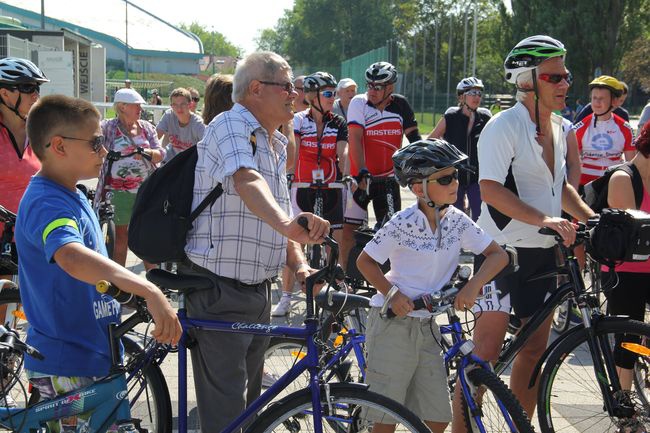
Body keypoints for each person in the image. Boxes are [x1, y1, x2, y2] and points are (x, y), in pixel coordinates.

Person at [182, 51, 330, 431]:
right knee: (227, 413)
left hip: (256, 291)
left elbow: (278, 213)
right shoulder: (232, 124)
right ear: (256, 89)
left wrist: (299, 265)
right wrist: (288, 223)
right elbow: (246, 181)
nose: (295, 94)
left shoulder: (273, 142)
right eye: (288, 86)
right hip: (220, 288)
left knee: (249, 408)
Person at [16, 94, 181, 433]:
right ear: (59, 146)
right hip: (67, 361)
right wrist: (147, 288)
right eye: (95, 143)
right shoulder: (48, 201)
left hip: (93, 351)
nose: (104, 151)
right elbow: (72, 256)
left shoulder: (73, 194)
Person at [470, 35, 595, 421]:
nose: (565, 84)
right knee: (484, 357)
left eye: (566, 76)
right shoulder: (503, 126)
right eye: (554, 77)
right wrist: (545, 219)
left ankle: (520, 426)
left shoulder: (559, 127)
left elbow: (560, 188)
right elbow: (489, 189)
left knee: (534, 351)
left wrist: (590, 217)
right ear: (527, 81)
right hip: (499, 254)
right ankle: (462, 427)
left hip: (542, 254)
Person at [356, 139, 508, 433]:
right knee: (385, 417)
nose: (455, 183)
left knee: (437, 416)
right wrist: (392, 293)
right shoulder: (402, 223)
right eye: (445, 178)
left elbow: (497, 255)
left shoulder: (458, 221)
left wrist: (474, 285)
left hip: (428, 327)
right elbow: (365, 262)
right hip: (392, 325)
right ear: (417, 188)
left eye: (456, 176)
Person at [272, 71, 348, 316]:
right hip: (302, 187)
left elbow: (343, 153)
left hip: (330, 187)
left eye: (334, 94)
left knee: (331, 242)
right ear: (313, 96)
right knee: (293, 239)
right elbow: (291, 150)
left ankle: (334, 294)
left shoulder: (337, 123)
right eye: (328, 94)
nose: (332, 98)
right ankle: (285, 297)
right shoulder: (299, 120)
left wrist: (348, 172)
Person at [341, 61, 421, 271]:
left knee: (393, 231)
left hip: (388, 180)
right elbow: (355, 139)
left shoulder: (400, 105)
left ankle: (391, 279)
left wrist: (424, 164)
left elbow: (415, 139)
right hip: (362, 178)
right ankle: (342, 277)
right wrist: (361, 171)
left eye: (377, 87)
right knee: (349, 230)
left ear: (390, 88)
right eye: (369, 85)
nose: (371, 91)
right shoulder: (359, 103)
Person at [95, 88, 165, 267]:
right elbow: (93, 141)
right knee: (121, 238)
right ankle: (120, 286)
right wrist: (104, 153)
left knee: (146, 238)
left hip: (146, 192)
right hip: (119, 193)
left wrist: (147, 152)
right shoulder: (108, 127)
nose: (140, 109)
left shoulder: (147, 127)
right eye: (136, 105)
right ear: (122, 106)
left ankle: (154, 283)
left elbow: (160, 153)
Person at [605, 121, 650, 391]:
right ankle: (624, 404)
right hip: (626, 269)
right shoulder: (624, 178)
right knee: (628, 339)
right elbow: (636, 238)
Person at [428, 77, 491, 221]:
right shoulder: (451, 117)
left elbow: (496, 140)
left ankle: (476, 243)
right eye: (472, 92)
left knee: (479, 214)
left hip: (477, 175)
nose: (477, 97)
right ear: (462, 96)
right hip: (454, 176)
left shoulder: (485, 117)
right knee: (455, 216)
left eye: (479, 93)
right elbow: (431, 140)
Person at [0, 57, 47, 238]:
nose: (36, 95)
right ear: (4, 94)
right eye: (27, 88)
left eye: (37, 88)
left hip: (35, 237)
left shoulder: (42, 131)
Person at [573, 76, 635, 186]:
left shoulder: (625, 128)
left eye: (601, 98)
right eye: (594, 98)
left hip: (612, 184)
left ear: (614, 101)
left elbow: (631, 165)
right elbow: (571, 163)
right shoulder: (580, 127)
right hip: (585, 184)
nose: (597, 102)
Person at [157, 87, 205, 162]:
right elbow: (156, 136)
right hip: (170, 162)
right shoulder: (169, 115)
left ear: (190, 105)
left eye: (183, 104)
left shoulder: (198, 123)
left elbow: (208, 146)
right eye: (175, 105)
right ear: (171, 106)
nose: (179, 108)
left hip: (190, 164)